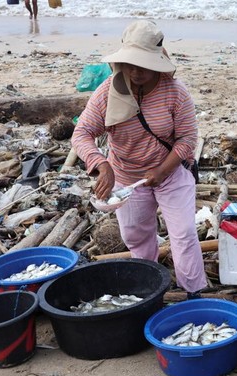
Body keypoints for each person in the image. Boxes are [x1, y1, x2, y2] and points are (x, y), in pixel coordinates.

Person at [72, 20, 207, 298]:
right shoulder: (107, 92)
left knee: (183, 235)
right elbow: (82, 134)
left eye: (143, 64)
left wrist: (162, 170)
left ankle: (193, 293)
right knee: (135, 236)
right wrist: (102, 165)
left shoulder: (175, 92)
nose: (136, 71)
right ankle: (150, 289)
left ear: (158, 61)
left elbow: (187, 141)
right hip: (126, 176)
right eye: (130, 63)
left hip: (171, 174)